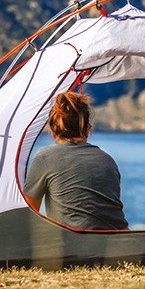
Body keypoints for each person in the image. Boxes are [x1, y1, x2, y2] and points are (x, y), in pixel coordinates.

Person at [24, 91, 128, 230]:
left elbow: (29, 212)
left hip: (74, 246)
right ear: (87, 129)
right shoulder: (107, 160)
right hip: (120, 242)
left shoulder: (45, 158)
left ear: (52, 131)